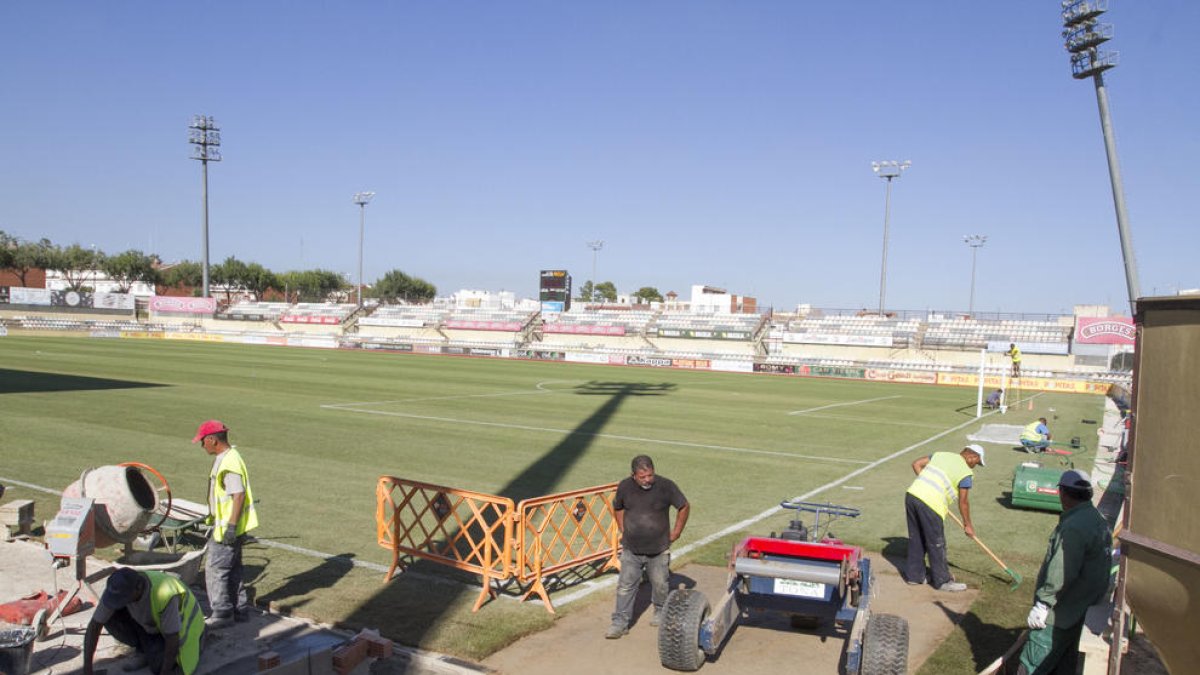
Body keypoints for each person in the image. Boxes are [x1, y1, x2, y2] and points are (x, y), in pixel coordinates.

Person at [1016, 470, 1112, 674]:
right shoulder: (1096, 519)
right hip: (1080, 610)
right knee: (1063, 664)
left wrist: (1043, 603)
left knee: (1032, 664)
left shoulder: (1073, 527)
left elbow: (1061, 571)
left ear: (1063, 494)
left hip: (1059, 613)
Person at [606, 454, 690, 639]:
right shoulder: (625, 486)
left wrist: (676, 532)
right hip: (631, 549)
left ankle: (660, 611)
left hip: (658, 549)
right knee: (625, 586)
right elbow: (617, 507)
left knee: (660, 584)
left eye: (650, 475)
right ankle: (620, 622)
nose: (647, 480)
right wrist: (622, 527)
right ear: (633, 475)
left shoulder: (666, 486)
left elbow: (684, 506)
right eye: (642, 477)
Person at [193, 419, 258, 627]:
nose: (202, 445)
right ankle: (239, 610)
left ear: (212, 440)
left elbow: (237, 495)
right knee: (234, 570)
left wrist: (229, 526)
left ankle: (221, 613)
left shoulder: (229, 462)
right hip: (233, 527)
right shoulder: (230, 457)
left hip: (227, 530)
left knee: (216, 570)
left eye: (203, 441)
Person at [82, 567, 205, 675]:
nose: (121, 600)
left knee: (159, 666)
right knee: (109, 616)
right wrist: (87, 670)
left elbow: (172, 638)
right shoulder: (118, 589)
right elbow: (95, 625)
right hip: (151, 626)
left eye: (124, 597)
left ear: (139, 587)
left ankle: (152, 651)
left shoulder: (165, 594)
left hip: (181, 631)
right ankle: (143, 649)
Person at [904, 444, 986, 592]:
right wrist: (967, 524)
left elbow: (916, 464)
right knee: (937, 542)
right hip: (931, 504)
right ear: (971, 456)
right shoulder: (966, 473)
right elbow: (964, 502)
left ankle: (915, 576)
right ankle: (943, 581)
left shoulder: (942, 454)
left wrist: (926, 486)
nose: (975, 466)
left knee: (916, 538)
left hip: (912, 495)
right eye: (977, 462)